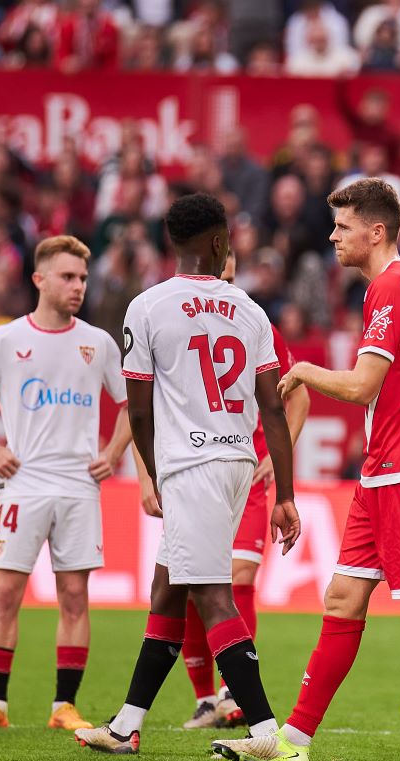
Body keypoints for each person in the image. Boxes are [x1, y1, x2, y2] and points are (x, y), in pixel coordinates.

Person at [211, 178, 400, 761]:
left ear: (376, 230)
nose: (332, 235)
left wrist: (305, 371)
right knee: (343, 596)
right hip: (385, 467)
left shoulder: (390, 286)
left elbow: (363, 386)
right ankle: (294, 741)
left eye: (342, 226)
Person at [75, 193, 300, 755]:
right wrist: (286, 494)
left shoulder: (147, 307)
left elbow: (140, 409)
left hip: (189, 466)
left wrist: (153, 474)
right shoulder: (250, 310)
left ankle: (266, 733)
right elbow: (274, 406)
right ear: (221, 242)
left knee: (213, 596)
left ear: (173, 243)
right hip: (236, 464)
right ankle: (126, 725)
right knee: (167, 590)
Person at [0, 235, 131, 731]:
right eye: (68, 277)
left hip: (78, 487)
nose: (78, 286)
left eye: (83, 278)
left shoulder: (97, 343)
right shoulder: (6, 340)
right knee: (6, 592)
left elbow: (135, 402)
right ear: (39, 279)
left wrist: (113, 453)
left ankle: (63, 707)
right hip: (22, 484)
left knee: (75, 595)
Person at [132, 250, 311, 729]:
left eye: (231, 266)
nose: (223, 273)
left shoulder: (251, 317)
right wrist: (146, 475)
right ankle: (204, 699)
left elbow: (294, 399)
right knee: (182, 586)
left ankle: (241, 702)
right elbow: (139, 406)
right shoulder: (169, 315)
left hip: (241, 470)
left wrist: (276, 460)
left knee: (233, 579)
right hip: (190, 467)